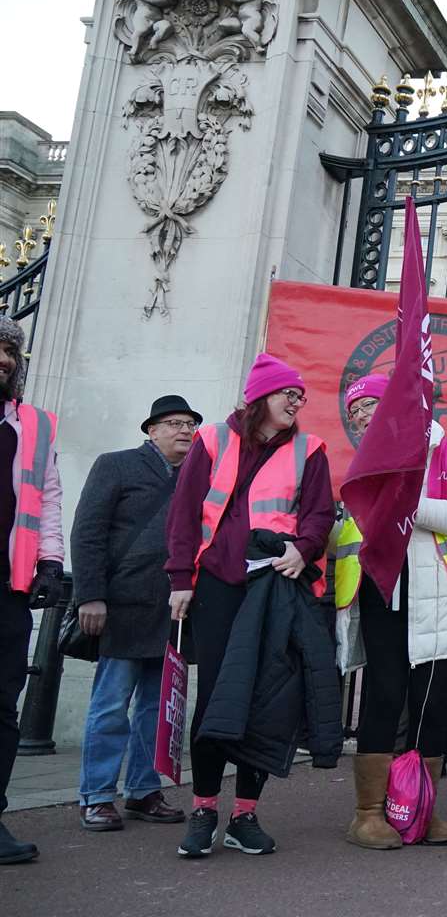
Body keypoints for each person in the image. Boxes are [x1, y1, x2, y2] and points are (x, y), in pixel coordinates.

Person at [165, 354, 335, 858]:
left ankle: (244, 814)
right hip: (218, 585)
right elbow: (184, 513)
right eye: (289, 393)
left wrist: (302, 550)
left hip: (274, 588)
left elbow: (320, 514)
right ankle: (202, 809)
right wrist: (180, 579)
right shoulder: (213, 440)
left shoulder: (312, 448)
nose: (297, 402)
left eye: (301, 396)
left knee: (267, 700)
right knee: (218, 696)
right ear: (261, 394)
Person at [330, 376, 447, 849]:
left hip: (441, 597)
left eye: (370, 405)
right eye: (355, 410)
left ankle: (420, 810)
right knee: (384, 695)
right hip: (381, 589)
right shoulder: (363, 461)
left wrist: (408, 506)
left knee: (432, 700)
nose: (361, 415)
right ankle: (368, 814)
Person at [71, 395, 201, 832]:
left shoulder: (198, 476)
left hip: (172, 609)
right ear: (151, 430)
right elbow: (87, 532)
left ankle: (144, 791)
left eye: (189, 424)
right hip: (121, 605)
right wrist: (90, 595)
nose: (184, 430)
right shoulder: (116, 464)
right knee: (110, 706)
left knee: (156, 708)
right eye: (173, 423)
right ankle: (98, 795)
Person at [0, 316, 64, 865]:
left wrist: (50, 561)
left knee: (2, 706)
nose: (2, 359)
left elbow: (48, 497)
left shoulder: (35, 425)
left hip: (9, 588)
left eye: (8, 351)